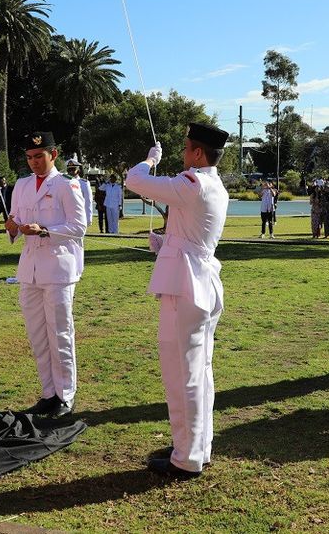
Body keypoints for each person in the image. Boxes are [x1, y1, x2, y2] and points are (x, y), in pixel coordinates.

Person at [126, 122, 230, 480]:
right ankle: (199, 449)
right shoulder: (213, 185)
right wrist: (166, 243)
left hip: (186, 288)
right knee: (199, 371)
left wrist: (148, 161)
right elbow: (190, 234)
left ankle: (185, 458)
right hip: (199, 281)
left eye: (187, 149)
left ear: (198, 154)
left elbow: (134, 181)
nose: (183, 155)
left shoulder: (193, 183)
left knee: (181, 373)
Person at [5, 132, 87, 419]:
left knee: (60, 333)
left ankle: (66, 395)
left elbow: (79, 226)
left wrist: (46, 230)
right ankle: (48, 392)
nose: (34, 162)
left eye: (39, 156)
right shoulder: (22, 185)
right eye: (29, 157)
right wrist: (12, 226)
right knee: (38, 334)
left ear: (53, 154)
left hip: (58, 267)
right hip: (30, 269)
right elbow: (15, 219)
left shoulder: (67, 185)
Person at [65, 158, 93, 229]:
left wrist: (88, 219)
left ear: (78, 170)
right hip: (66, 218)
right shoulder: (64, 182)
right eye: (69, 170)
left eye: (73, 169)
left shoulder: (84, 183)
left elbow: (88, 201)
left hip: (79, 217)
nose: (71, 172)